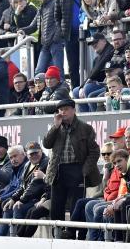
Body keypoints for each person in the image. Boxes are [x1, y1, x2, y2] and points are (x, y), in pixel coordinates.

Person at [43, 98, 100, 238]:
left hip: (77, 169)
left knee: (76, 206)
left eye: (66, 109)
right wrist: (55, 127)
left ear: (74, 110)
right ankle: (57, 236)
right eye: (61, 110)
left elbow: (94, 151)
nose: (63, 112)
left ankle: (74, 235)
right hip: (58, 170)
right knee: (56, 207)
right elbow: (46, 144)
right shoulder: (57, 127)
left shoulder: (85, 128)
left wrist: (84, 170)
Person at [18, 0, 64, 76]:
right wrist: (21, 30)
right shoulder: (41, 8)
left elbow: (62, 21)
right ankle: (40, 90)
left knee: (58, 71)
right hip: (45, 44)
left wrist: (56, 37)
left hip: (56, 43)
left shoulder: (55, 3)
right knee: (39, 71)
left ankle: (62, 89)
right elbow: (33, 26)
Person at [54, 0, 82, 87]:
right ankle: (75, 90)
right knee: (73, 66)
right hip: (70, 36)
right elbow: (57, 17)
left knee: (87, 63)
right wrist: (62, 32)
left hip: (86, 34)